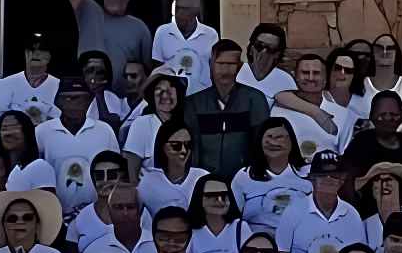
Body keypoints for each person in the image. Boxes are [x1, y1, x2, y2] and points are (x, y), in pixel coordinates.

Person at [276, 150, 362, 253]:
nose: (329, 179)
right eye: (322, 174)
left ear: (342, 179)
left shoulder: (352, 216)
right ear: (312, 178)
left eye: (335, 175)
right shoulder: (293, 212)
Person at [183, 39, 270, 182]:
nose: (225, 70)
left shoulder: (254, 99)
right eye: (220, 64)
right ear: (211, 65)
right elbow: (192, 147)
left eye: (231, 64)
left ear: (240, 66)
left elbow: (261, 143)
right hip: (204, 179)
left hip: (244, 178)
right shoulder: (194, 103)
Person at [37, 79, 121, 215]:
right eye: (68, 98)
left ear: (89, 102)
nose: (75, 103)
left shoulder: (104, 130)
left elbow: (117, 174)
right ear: (58, 102)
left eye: (81, 98)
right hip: (54, 215)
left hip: (97, 214)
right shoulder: (42, 132)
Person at [232, 117, 311, 236]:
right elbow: (232, 219)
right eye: (269, 137)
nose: (274, 143)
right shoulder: (244, 176)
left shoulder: (308, 174)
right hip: (257, 245)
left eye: (280, 137)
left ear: (292, 142)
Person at [152, 0, 217, 93]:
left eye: (185, 9)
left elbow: (214, 68)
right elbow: (157, 69)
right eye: (177, 8)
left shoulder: (210, 35)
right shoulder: (162, 32)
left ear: (196, 11)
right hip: (171, 97)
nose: (179, 13)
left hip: (201, 95)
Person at [188, 174, 251, 253]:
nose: (220, 200)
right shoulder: (190, 231)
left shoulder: (241, 228)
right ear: (199, 198)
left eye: (224, 195)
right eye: (212, 195)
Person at [123, 73, 187, 172]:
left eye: (170, 90)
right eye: (159, 90)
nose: (165, 95)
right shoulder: (142, 124)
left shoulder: (188, 121)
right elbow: (131, 172)